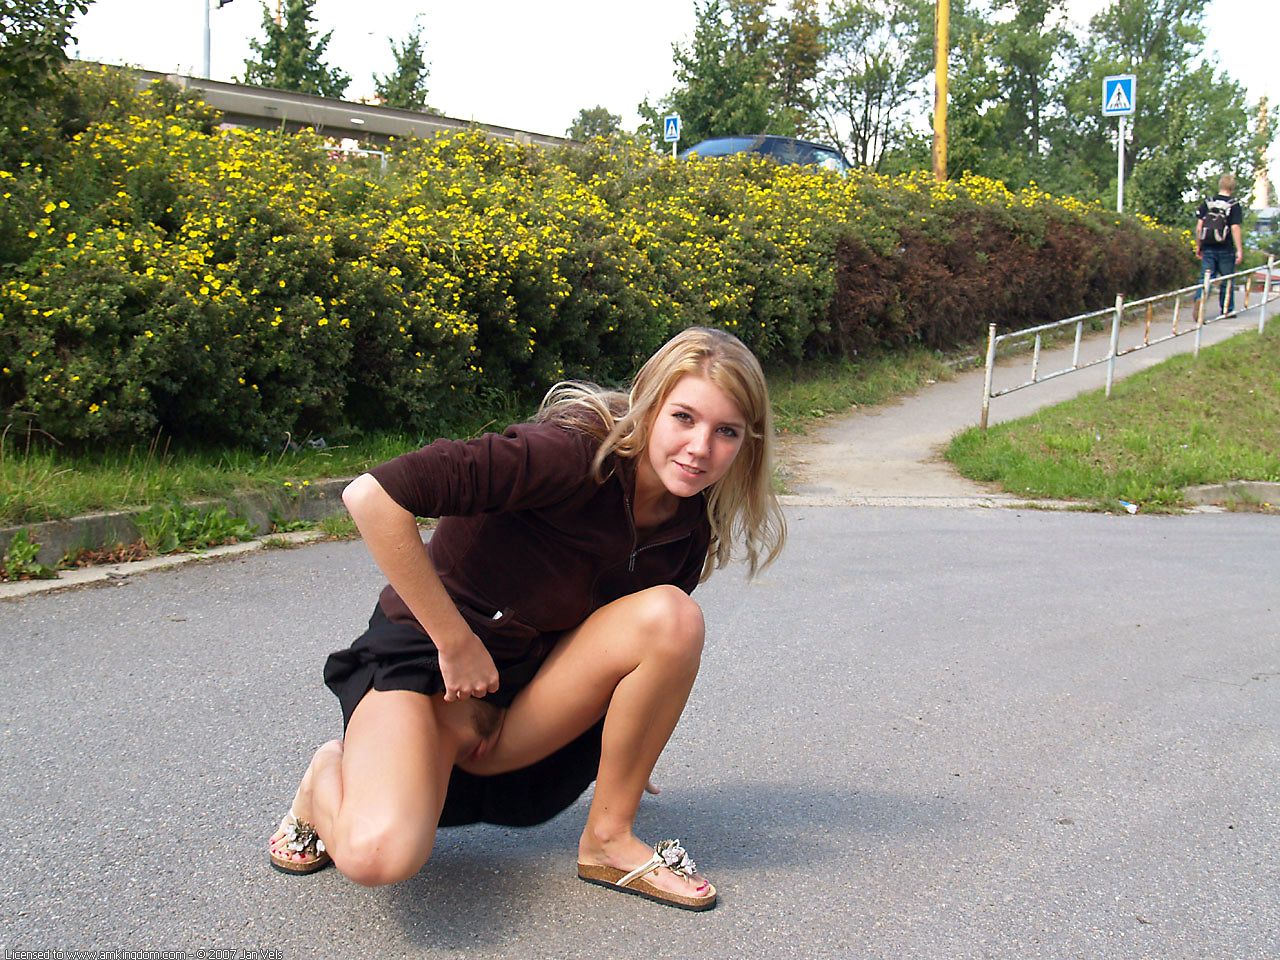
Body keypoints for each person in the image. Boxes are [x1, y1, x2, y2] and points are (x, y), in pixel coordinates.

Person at [268, 326, 785, 912]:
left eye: (726, 431)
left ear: (747, 443)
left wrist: (630, 747)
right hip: (429, 672)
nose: (699, 448)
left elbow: (634, 641)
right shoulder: (563, 455)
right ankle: (327, 774)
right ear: (648, 404)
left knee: (674, 615)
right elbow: (372, 497)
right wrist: (454, 640)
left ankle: (608, 840)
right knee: (378, 857)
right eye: (684, 418)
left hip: (522, 704)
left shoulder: (688, 520)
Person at [1194, 173, 1245, 317]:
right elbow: (1235, 228)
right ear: (1232, 187)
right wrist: (1239, 250)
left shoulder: (1208, 202)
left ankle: (1200, 299)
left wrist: (1199, 245)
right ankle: (1227, 310)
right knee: (1226, 279)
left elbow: (1199, 227)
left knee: (1205, 278)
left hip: (1208, 247)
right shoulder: (1234, 205)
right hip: (1225, 248)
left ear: (1220, 185)